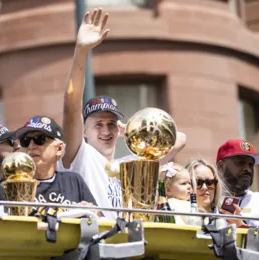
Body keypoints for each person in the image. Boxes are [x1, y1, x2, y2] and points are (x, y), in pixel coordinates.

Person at [60, 8, 187, 220]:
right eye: (98, 124)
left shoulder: (130, 164)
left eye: (111, 124)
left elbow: (180, 139)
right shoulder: (80, 156)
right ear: (84, 130)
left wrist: (131, 130)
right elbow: (71, 105)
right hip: (93, 243)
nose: (106, 130)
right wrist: (81, 51)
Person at [15, 116, 98, 215]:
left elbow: (98, 217)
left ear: (59, 149)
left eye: (39, 139)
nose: (31, 146)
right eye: (25, 141)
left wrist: (90, 211)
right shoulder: (15, 184)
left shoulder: (73, 181)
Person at [216, 139, 259, 226]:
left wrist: (242, 227)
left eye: (251, 164)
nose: (247, 169)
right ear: (221, 167)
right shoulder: (207, 199)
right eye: (241, 163)